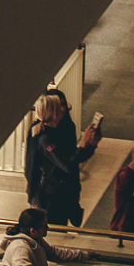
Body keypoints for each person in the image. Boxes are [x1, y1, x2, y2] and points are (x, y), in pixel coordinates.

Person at [24, 88, 100, 225]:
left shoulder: (67, 127)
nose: (63, 109)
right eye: (58, 107)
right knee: (55, 231)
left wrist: (91, 146)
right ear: (52, 112)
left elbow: (73, 159)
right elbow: (67, 164)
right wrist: (84, 145)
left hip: (66, 189)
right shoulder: (44, 138)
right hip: (52, 195)